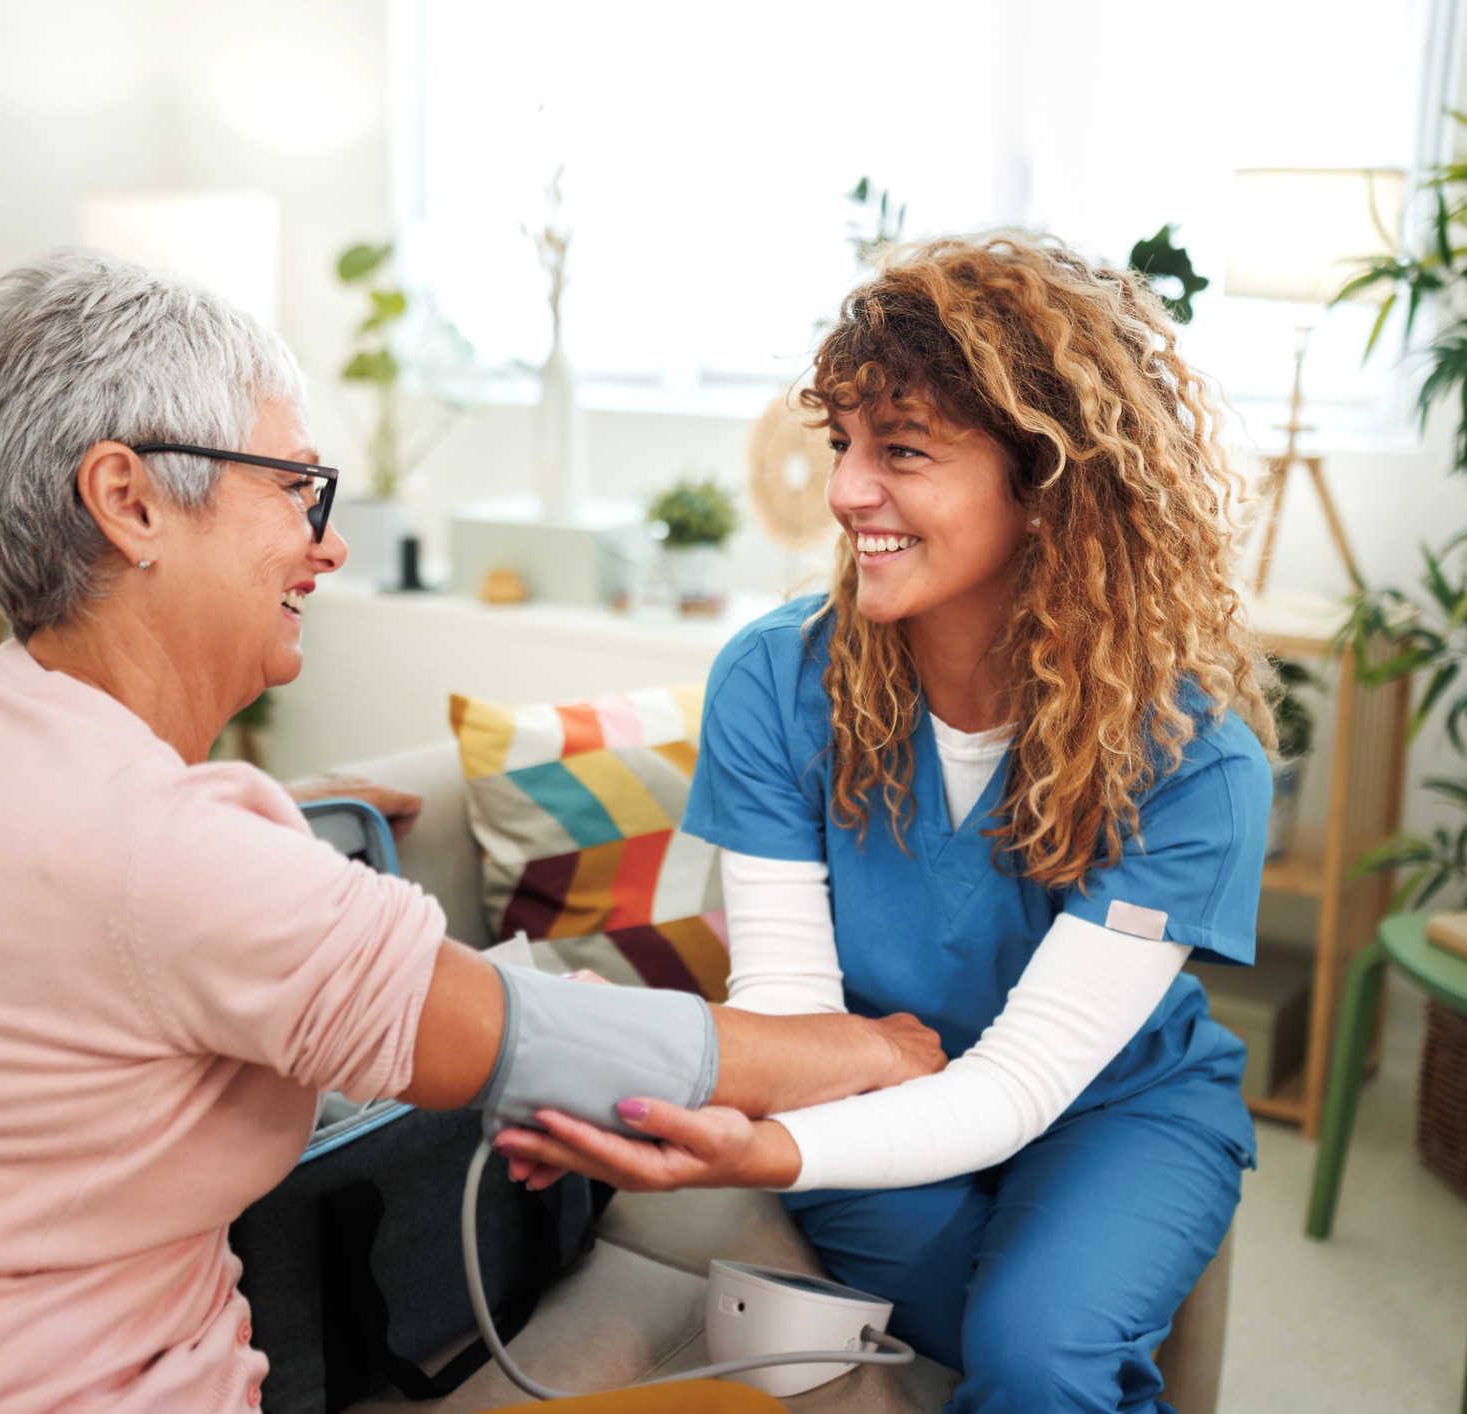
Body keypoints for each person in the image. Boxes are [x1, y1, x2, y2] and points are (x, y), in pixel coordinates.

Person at [0, 249, 946, 1414]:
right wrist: (865, 1051)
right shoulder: (157, 849)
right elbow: (524, 1031)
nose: (329, 540)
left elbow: (102, 954)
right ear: (128, 499)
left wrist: (296, 823)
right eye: (293, 486)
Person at [495, 232, 1277, 1414]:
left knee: (1039, 1352)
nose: (845, 490)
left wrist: (760, 1149)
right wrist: (674, 1077)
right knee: (1025, 1352)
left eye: (900, 452)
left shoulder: (1190, 760)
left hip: (1111, 1102)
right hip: (857, 1077)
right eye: (843, 444)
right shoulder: (774, 681)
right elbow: (788, 1007)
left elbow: (1016, 1084)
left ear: (1046, 485)